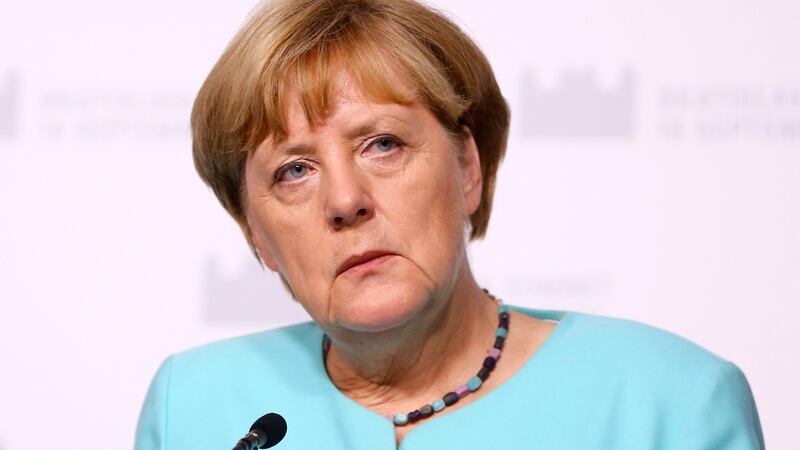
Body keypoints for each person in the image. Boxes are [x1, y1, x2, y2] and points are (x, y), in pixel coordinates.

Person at [134, 0, 765, 448]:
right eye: (293, 170)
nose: (345, 200)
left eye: (381, 144)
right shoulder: (193, 404)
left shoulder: (671, 402)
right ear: (257, 237)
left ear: (467, 168)